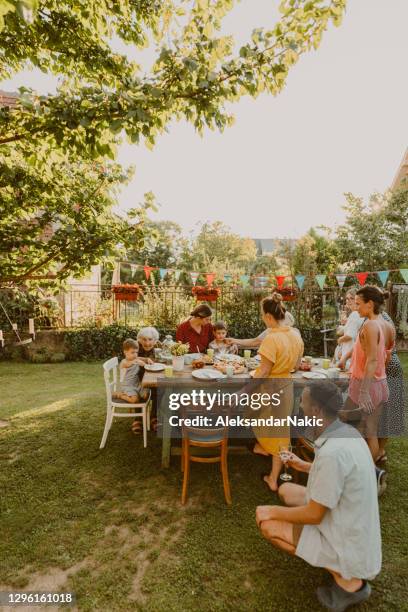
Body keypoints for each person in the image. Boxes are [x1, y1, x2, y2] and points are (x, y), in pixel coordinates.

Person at [256, 382, 381, 611]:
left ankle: (348, 581)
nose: (300, 406)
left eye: (302, 401)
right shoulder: (346, 432)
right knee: (286, 490)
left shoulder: (334, 452)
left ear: (315, 410)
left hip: (348, 537)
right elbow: (340, 474)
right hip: (348, 514)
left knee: (268, 524)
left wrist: (270, 510)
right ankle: (334, 564)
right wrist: (303, 466)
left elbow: (314, 514)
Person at [251, 295, 304, 491]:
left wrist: (245, 389)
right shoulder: (295, 335)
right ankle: (264, 450)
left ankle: (273, 478)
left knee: (270, 428)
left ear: (268, 316)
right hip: (286, 385)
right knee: (278, 430)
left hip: (270, 387)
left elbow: (264, 371)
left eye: (262, 316)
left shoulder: (272, 338)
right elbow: (297, 365)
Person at [342, 286, 393, 462]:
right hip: (380, 383)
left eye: (358, 304)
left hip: (364, 385)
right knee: (369, 430)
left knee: (347, 422)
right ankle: (365, 467)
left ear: (370, 304)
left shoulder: (370, 325)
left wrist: (364, 391)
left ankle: (364, 470)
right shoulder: (387, 326)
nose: (356, 308)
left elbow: (372, 360)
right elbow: (385, 357)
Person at [377, 310, 405, 462]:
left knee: (386, 409)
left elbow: (385, 351)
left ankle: (380, 450)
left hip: (389, 367)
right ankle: (379, 449)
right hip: (386, 366)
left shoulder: (382, 319)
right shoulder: (377, 317)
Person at [226, 310, 301, 350]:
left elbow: (256, 342)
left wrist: (235, 341)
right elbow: (256, 342)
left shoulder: (271, 332)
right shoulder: (296, 333)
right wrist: (234, 341)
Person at [112, 338, 150, 404]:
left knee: (146, 395)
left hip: (137, 384)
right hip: (127, 386)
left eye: (136, 352)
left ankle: (138, 394)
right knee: (135, 400)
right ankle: (120, 395)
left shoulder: (135, 359)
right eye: (132, 352)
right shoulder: (124, 362)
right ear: (125, 352)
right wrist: (137, 362)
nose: (135, 354)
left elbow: (140, 358)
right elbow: (129, 364)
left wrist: (147, 360)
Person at [333, 289, 363, 370]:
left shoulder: (355, 314)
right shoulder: (357, 314)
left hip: (349, 358)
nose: (348, 301)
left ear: (357, 300)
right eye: (347, 298)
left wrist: (339, 340)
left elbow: (350, 335)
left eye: (352, 298)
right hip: (351, 355)